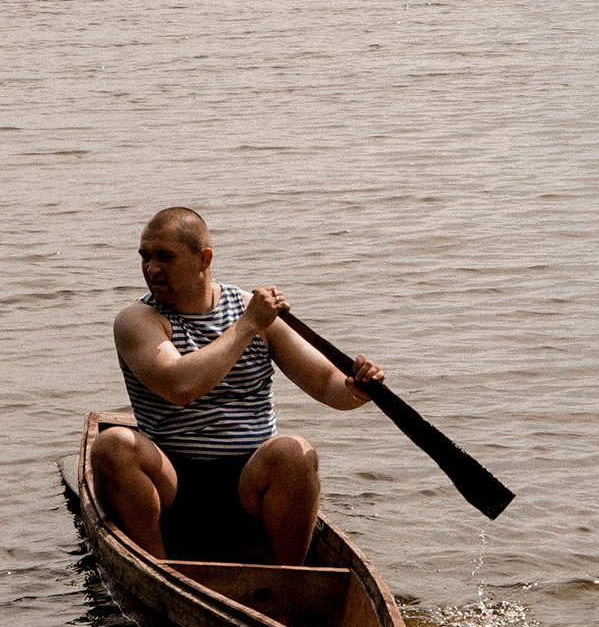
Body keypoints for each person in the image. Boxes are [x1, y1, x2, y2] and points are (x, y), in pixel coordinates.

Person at [91, 206, 385, 564]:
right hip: (171, 481)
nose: (152, 269)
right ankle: (160, 571)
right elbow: (180, 387)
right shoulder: (137, 320)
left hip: (249, 482)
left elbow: (327, 384)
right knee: (113, 445)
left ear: (204, 259)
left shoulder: (249, 309)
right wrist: (246, 327)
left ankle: (290, 581)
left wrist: (358, 389)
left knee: (295, 451)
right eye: (145, 257)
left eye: (164, 257)